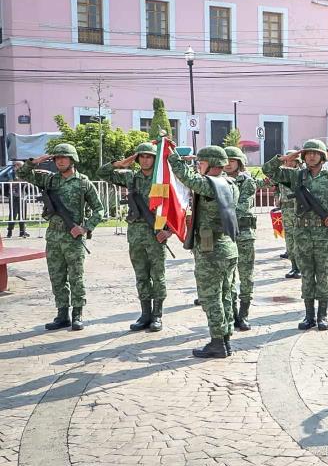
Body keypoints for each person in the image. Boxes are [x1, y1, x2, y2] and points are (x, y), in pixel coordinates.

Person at [262, 139, 328, 331]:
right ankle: (308, 315)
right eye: (308, 153)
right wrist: (284, 158)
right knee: (306, 274)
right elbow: (268, 171)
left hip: (324, 233)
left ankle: (322, 316)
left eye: (315, 153)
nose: (311, 156)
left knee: (323, 274)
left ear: (322, 156)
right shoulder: (296, 176)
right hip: (302, 233)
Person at [17, 143, 104, 331]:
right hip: (54, 237)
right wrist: (35, 161)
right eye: (57, 158)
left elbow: (99, 209)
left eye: (64, 157)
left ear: (72, 159)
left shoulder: (83, 182)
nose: (60, 161)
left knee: (76, 277)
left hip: (73, 238)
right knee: (57, 277)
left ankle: (77, 314)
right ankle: (62, 314)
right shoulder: (50, 181)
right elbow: (23, 174)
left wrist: (84, 228)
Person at [169, 145, 240, 359]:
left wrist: (172, 156)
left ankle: (217, 342)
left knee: (211, 298)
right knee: (225, 296)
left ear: (211, 164)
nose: (198, 166)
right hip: (227, 248)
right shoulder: (230, 183)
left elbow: (186, 177)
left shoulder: (210, 184)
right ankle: (225, 339)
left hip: (212, 251)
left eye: (201, 162)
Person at [98, 142, 171, 332]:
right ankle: (145, 314)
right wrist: (121, 163)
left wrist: (168, 231)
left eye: (149, 156)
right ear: (137, 159)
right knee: (141, 275)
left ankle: (157, 316)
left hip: (157, 234)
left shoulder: (162, 179)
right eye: (142, 156)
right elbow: (102, 173)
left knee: (158, 276)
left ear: (155, 159)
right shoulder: (131, 177)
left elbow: (174, 208)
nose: (145, 160)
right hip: (136, 233)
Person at [223, 146, 257, 331]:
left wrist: (218, 213)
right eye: (225, 160)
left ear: (239, 163)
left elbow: (241, 208)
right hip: (225, 235)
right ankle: (231, 312)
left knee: (246, 276)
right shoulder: (217, 180)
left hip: (244, 234)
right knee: (227, 277)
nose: (228, 164)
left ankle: (243, 314)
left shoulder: (247, 182)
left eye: (232, 160)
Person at [278, 152, 302, 278]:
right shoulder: (282, 174)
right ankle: (294, 266)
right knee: (289, 241)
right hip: (286, 211)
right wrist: (278, 198)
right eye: (287, 161)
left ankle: (301, 267)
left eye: (292, 160)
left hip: (298, 211)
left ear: (297, 162)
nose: (289, 163)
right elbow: (277, 188)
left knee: (299, 240)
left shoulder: (302, 174)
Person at [7, 161, 29, 238]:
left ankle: (22, 231)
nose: (22, 168)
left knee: (23, 214)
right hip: (13, 196)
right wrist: (20, 181)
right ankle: (9, 231)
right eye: (21, 166)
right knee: (13, 214)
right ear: (17, 166)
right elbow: (11, 183)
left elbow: (27, 181)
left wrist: (19, 181)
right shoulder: (11, 173)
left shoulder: (24, 173)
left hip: (23, 196)